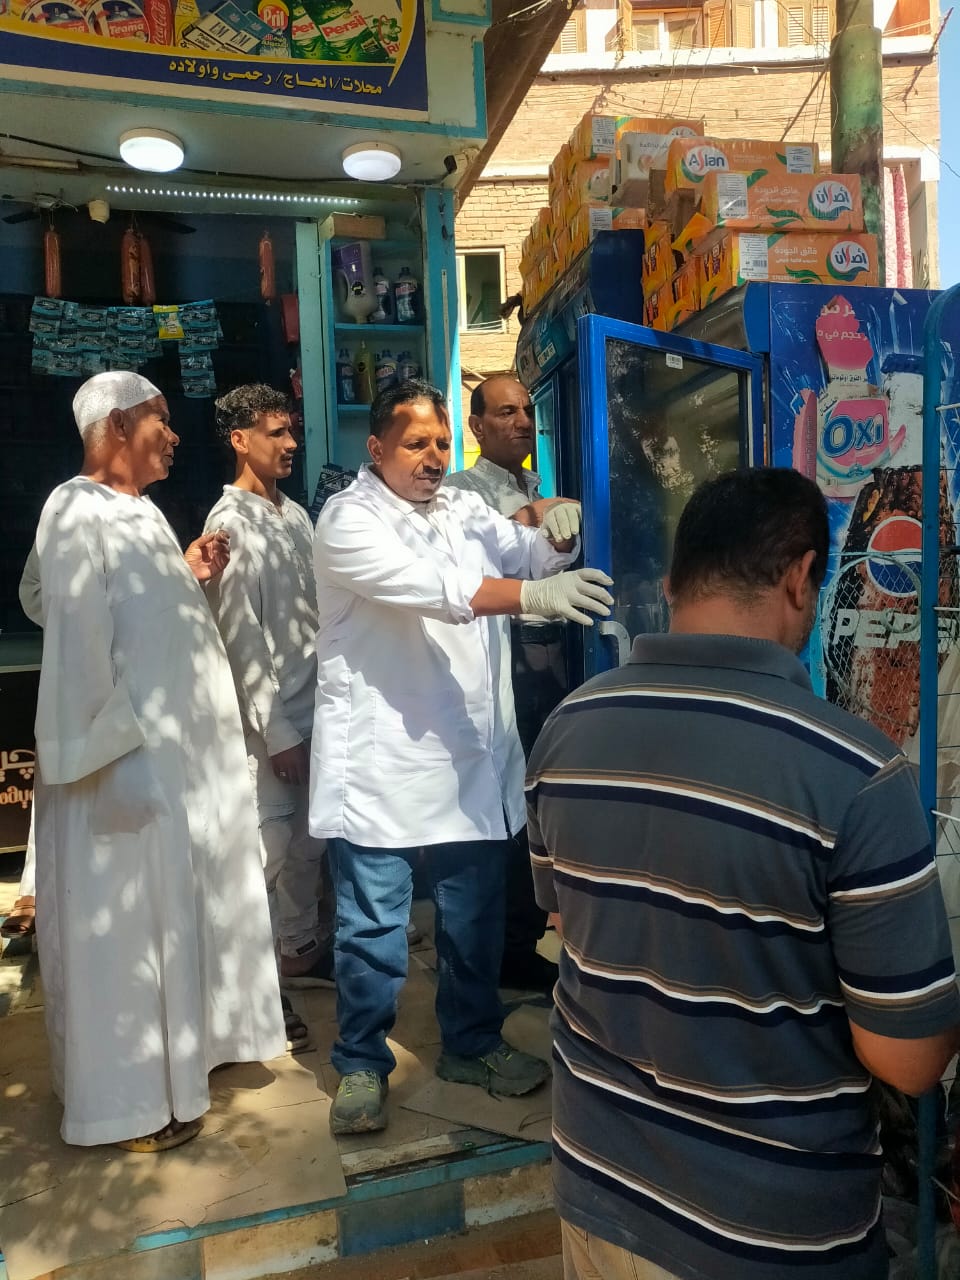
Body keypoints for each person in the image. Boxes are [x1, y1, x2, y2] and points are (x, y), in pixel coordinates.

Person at [526, 467, 960, 1280]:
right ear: (802, 577)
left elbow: (564, 922)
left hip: (596, 1190)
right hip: (764, 1236)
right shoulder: (854, 771)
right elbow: (908, 1060)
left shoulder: (569, 726)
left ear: (672, 582)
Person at [309, 378, 614, 1136]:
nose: (433, 457)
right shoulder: (347, 520)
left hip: (468, 758)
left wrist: (556, 534)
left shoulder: (461, 509)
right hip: (383, 761)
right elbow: (435, 588)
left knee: (472, 918)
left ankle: (471, 1043)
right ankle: (361, 1062)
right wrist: (531, 598)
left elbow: (526, 552)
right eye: (416, 444)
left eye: (442, 443)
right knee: (373, 927)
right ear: (376, 447)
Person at [31, 371, 285, 1151]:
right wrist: (111, 762)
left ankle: (187, 1064)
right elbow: (75, 641)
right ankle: (127, 1104)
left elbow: (125, 612)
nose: (174, 436)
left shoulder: (137, 510)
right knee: (125, 940)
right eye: (160, 420)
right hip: (121, 769)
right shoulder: (74, 508)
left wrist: (185, 571)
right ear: (116, 426)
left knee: (176, 919)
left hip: (175, 766)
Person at [203, 385, 335, 1052]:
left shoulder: (296, 515)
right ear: (239, 440)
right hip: (269, 725)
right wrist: (277, 733)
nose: (290, 444)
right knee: (267, 852)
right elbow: (241, 638)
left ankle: (298, 952)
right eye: (275, 433)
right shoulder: (230, 524)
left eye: (292, 431)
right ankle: (256, 994)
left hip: (318, 709)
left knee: (310, 845)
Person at [446, 374, 574, 991]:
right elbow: (474, 562)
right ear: (476, 426)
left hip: (552, 651)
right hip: (507, 656)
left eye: (525, 410)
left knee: (542, 797)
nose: (522, 421)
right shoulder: (460, 492)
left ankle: (526, 931)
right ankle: (501, 946)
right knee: (510, 802)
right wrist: (529, 518)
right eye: (505, 412)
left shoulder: (536, 484)